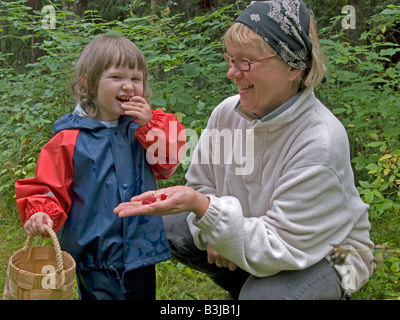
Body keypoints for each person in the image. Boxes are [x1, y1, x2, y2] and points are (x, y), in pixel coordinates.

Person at [114, 0, 375, 300]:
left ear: (293, 65)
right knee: (151, 225)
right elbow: (202, 185)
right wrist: (215, 229)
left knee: (263, 297)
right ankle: (251, 282)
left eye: (246, 62)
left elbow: (280, 243)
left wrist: (213, 219)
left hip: (330, 252)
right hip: (256, 235)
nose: (231, 73)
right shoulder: (227, 113)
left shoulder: (319, 140)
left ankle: (297, 290)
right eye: (230, 59)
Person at [15, 35, 186, 300]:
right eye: (116, 77)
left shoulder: (141, 129)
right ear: (89, 82)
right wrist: (40, 211)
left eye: (136, 79)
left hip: (142, 248)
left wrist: (150, 125)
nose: (128, 86)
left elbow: (168, 162)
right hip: (94, 254)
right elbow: (49, 184)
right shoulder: (69, 138)